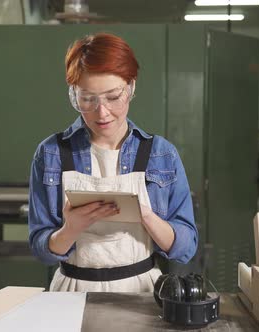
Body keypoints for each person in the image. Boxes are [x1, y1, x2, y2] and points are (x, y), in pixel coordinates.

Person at [28, 32, 198, 292]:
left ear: (131, 87)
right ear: (74, 95)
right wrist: (70, 229)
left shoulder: (161, 154)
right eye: (88, 99)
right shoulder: (51, 153)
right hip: (72, 290)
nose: (102, 112)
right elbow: (41, 250)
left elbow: (185, 248)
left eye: (113, 97)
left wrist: (147, 217)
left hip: (140, 290)